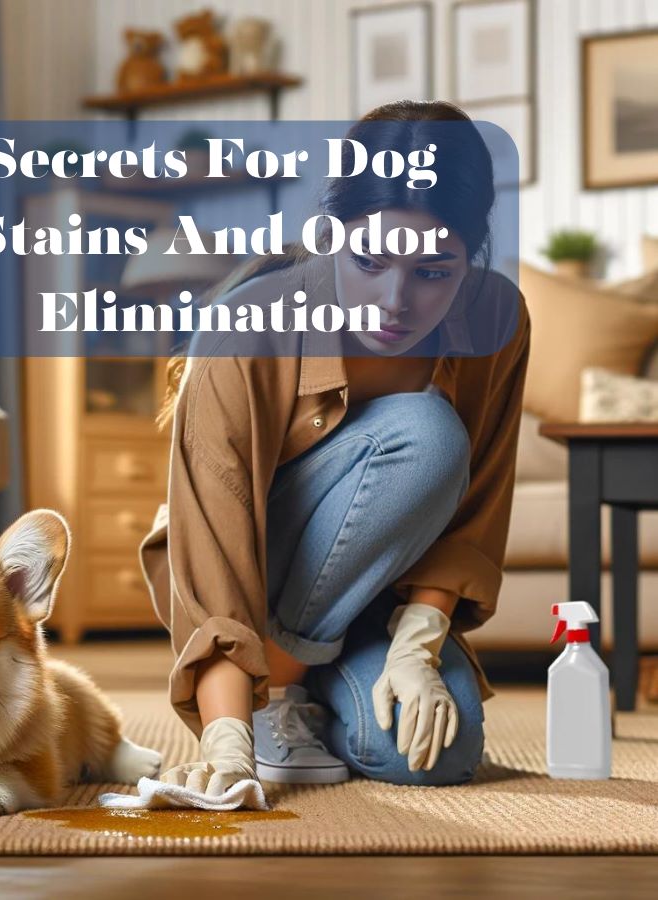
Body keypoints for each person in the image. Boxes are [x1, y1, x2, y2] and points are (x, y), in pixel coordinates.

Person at [137, 99, 531, 797]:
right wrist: (230, 735)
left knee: (436, 758)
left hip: (378, 594)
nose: (394, 300)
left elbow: (478, 506)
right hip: (248, 589)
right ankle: (273, 695)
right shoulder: (248, 328)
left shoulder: (496, 317)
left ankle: (312, 688)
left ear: (470, 260)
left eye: (434, 272)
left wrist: (417, 644)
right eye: (370, 260)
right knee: (427, 437)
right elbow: (214, 548)